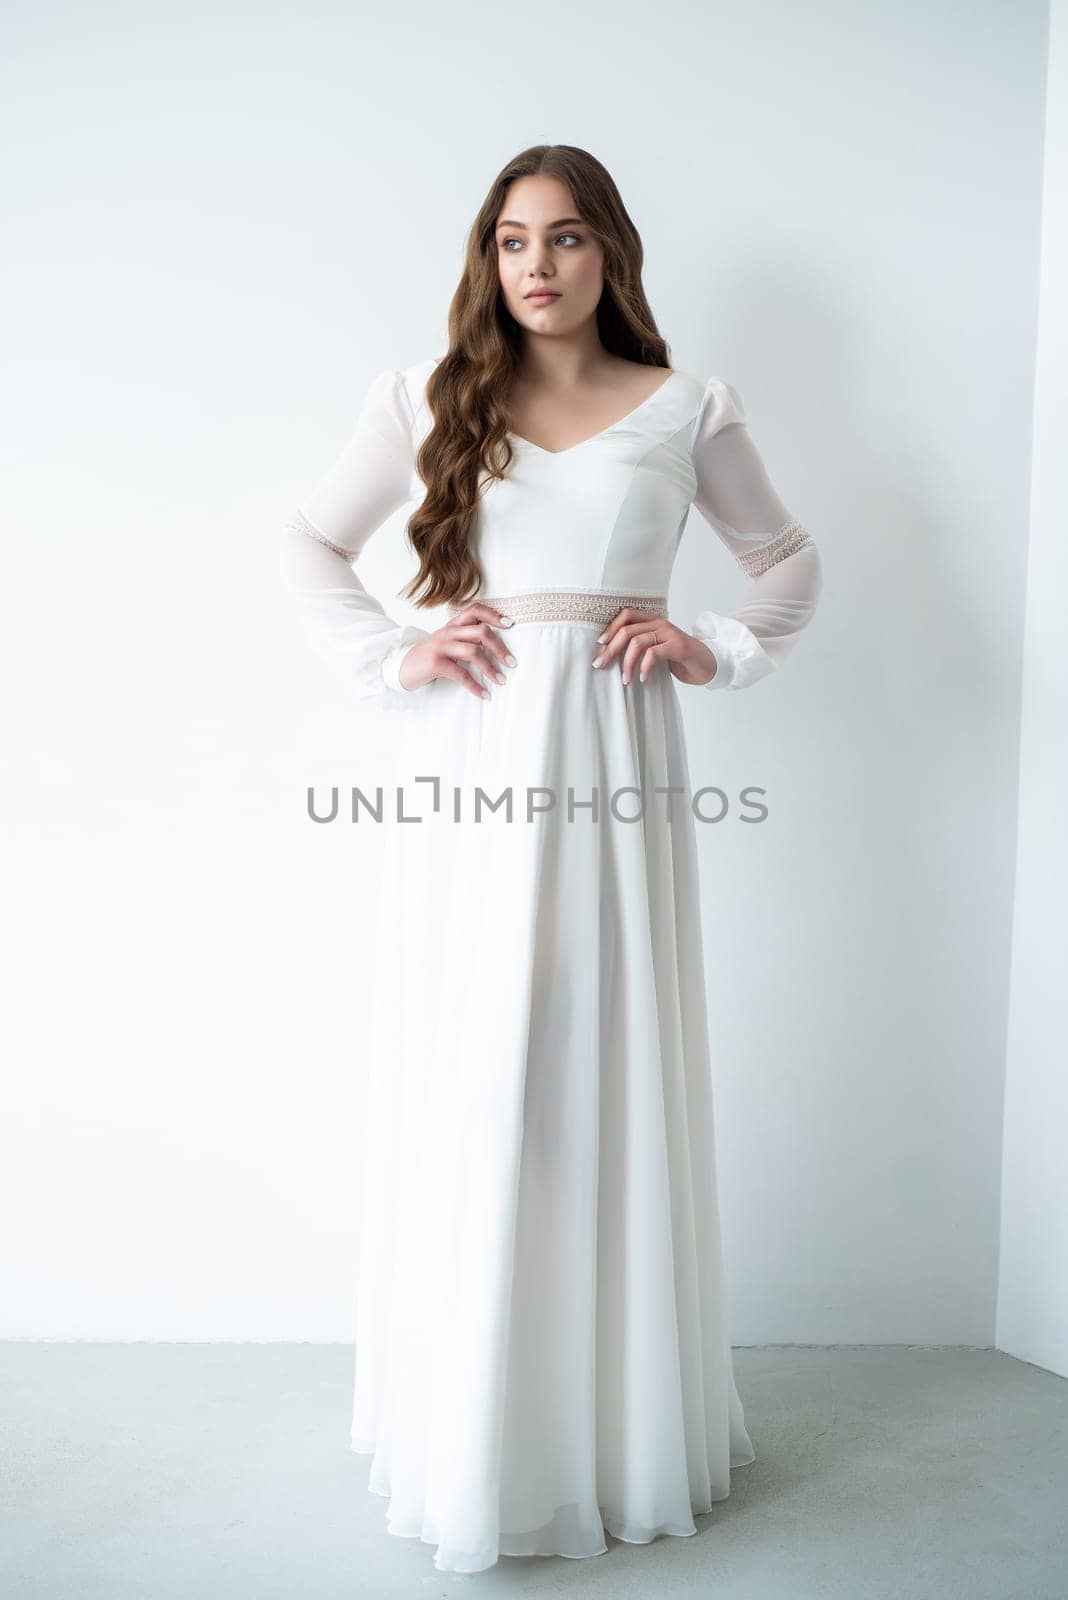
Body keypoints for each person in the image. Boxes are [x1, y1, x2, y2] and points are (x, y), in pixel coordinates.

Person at [279, 144, 822, 1575]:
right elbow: (310, 546)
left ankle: (605, 1430)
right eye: (514, 238)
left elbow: (789, 562)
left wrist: (719, 648)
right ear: (488, 257)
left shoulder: (683, 408)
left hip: (622, 776)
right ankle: (477, 1430)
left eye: (569, 237)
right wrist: (399, 653)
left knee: (600, 1071)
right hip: (472, 775)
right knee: (486, 1080)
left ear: (612, 257)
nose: (539, 263)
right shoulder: (426, 397)